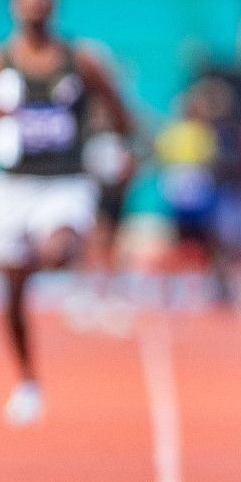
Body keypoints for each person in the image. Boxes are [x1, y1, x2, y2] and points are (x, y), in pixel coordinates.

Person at [0, 0, 134, 426]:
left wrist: (121, 146)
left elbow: (123, 114)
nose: (35, 3)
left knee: (56, 248)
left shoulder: (81, 60)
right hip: (11, 185)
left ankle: (60, 255)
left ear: (55, 4)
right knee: (12, 292)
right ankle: (27, 380)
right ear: (14, 4)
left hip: (65, 181)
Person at [155, 80, 232, 310]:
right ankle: (167, 293)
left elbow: (213, 161)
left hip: (200, 197)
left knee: (211, 242)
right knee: (176, 243)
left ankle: (221, 289)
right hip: (181, 198)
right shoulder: (175, 133)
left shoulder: (204, 132)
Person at [71, 97, 140, 333]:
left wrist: (128, 175)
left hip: (115, 194)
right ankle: (85, 292)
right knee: (90, 242)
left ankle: (113, 293)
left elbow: (138, 158)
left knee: (112, 244)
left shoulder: (122, 135)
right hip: (92, 193)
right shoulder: (86, 134)